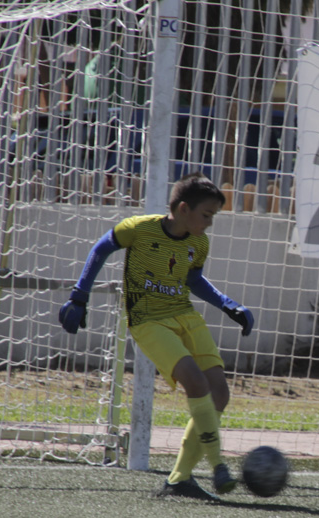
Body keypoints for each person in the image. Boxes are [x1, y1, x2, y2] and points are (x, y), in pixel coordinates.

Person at [58, 172, 254, 500]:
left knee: (219, 392)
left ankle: (179, 480)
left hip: (185, 316)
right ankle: (219, 465)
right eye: (207, 215)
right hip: (148, 320)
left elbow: (193, 280)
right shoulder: (139, 227)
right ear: (182, 208)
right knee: (196, 382)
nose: (209, 223)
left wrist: (226, 304)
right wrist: (79, 295)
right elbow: (101, 249)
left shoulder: (198, 242)